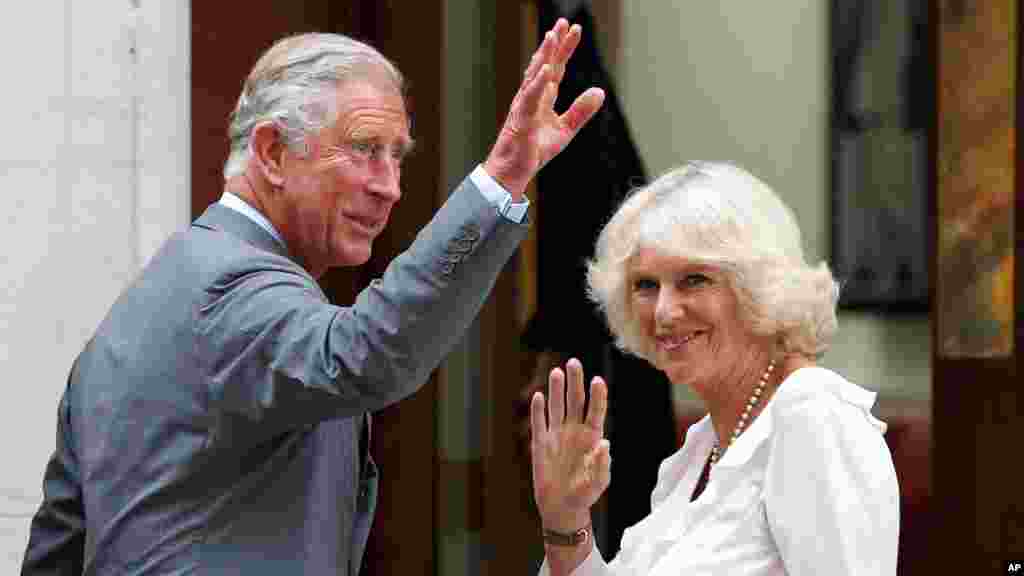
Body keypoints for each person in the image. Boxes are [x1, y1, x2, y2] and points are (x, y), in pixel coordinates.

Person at [22, 19, 604, 575]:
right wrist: (501, 178)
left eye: (397, 155)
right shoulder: (230, 283)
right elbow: (367, 353)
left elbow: (58, 548)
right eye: (363, 149)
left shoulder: (148, 304)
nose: (390, 186)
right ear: (272, 153)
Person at [529, 161, 899, 575]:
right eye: (646, 285)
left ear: (756, 286)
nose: (664, 312)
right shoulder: (700, 450)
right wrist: (566, 519)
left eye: (694, 279)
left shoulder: (814, 416)